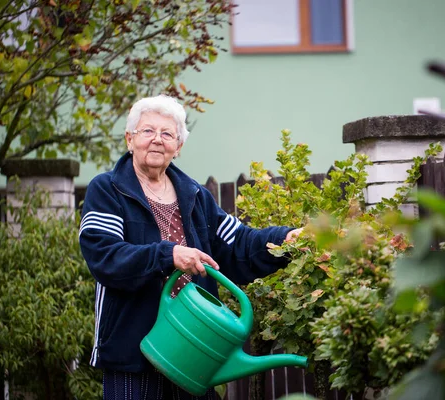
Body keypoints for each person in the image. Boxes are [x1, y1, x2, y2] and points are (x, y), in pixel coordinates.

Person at [79, 95, 303, 399]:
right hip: (134, 352)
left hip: (194, 348)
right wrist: (168, 254)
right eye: (147, 131)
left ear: (179, 146)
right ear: (130, 140)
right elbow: (105, 256)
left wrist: (287, 240)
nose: (157, 140)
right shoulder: (108, 190)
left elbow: (238, 243)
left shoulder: (195, 196)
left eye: (167, 134)